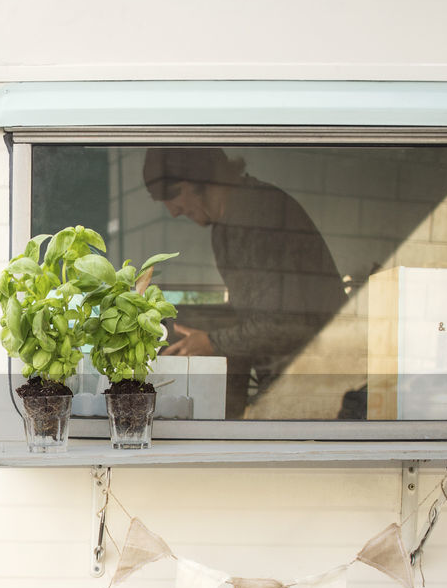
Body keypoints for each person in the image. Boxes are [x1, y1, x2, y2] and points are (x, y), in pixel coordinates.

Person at [143, 147, 346, 418]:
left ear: (200, 178)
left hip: (320, 387)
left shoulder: (259, 214)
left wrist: (213, 342)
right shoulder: (226, 226)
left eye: (172, 194)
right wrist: (206, 335)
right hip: (291, 385)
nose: (173, 212)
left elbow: (286, 324)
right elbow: (259, 317)